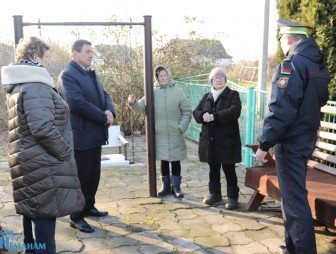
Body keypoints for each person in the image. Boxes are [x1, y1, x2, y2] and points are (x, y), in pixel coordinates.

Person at [1, 36, 85, 254]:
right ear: (35, 56)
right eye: (46, 57)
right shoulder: (35, 85)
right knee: (45, 228)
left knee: (32, 217)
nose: (49, 63)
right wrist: (65, 152)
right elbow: (42, 128)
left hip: (27, 161)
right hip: (43, 164)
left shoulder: (18, 83)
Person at [255, 19, 330, 254]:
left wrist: (264, 143)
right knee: (290, 197)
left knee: (295, 201)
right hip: (308, 136)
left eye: (280, 38)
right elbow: (322, 99)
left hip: (291, 141)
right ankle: (292, 247)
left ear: (287, 38)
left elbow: (281, 108)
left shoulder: (292, 64)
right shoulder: (317, 63)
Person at [57, 39, 115, 233]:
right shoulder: (68, 75)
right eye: (88, 51)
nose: (91, 55)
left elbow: (105, 95)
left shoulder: (90, 73)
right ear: (75, 54)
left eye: (92, 51)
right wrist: (103, 117)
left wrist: (110, 112)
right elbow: (77, 103)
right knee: (80, 178)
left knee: (93, 176)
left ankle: (88, 206)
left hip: (95, 135)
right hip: (80, 137)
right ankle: (76, 215)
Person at [128, 65, 192, 198]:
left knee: (175, 160)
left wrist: (181, 127)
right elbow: (141, 108)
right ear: (157, 78)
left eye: (165, 75)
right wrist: (133, 102)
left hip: (175, 132)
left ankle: (176, 187)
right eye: (160, 76)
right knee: (163, 160)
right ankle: (166, 185)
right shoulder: (152, 93)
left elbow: (187, 111)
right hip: (160, 134)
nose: (163, 77)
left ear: (169, 75)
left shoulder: (178, 92)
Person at [193, 67, 242, 209]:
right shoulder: (207, 96)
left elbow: (234, 112)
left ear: (225, 80)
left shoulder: (233, 95)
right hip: (211, 141)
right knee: (213, 168)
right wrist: (202, 116)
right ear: (211, 80)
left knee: (229, 169)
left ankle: (233, 197)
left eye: (221, 76)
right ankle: (215, 194)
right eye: (215, 77)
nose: (218, 79)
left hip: (227, 141)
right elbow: (196, 112)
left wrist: (214, 116)